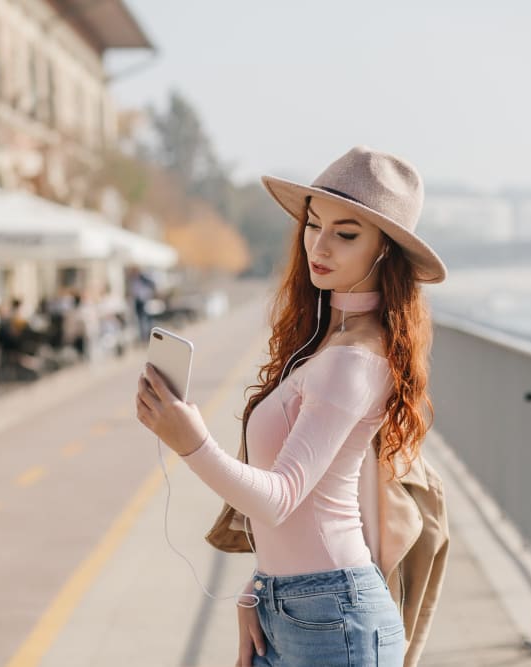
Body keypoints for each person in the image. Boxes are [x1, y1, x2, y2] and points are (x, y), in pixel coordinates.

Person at [135, 146, 449, 666]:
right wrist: (263, 584)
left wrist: (191, 442)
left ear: (385, 250)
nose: (319, 245)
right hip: (296, 608)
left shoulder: (354, 358)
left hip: (335, 621)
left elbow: (281, 498)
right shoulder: (329, 341)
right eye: (314, 224)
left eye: (346, 234)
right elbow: (321, 498)